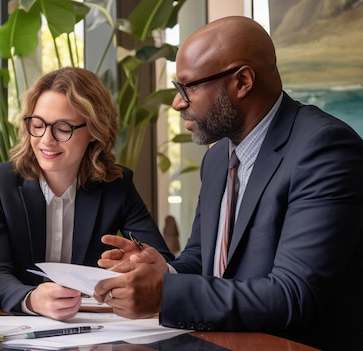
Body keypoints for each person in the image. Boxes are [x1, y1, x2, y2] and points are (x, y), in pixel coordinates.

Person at [93, 16, 363, 350]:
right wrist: (165, 272)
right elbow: (202, 259)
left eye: (187, 87)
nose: (178, 102)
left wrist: (165, 293)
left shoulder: (324, 149)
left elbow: (293, 295)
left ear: (242, 81)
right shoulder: (218, 157)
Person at [0, 67, 174, 320]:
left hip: (95, 326)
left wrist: (136, 263)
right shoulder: (0, 182)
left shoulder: (117, 184)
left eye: (63, 128)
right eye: (37, 125)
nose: (46, 140)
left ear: (94, 130)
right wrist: (31, 299)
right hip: (22, 327)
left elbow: (159, 260)